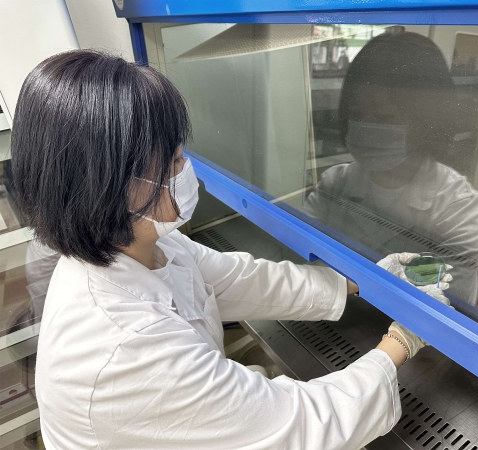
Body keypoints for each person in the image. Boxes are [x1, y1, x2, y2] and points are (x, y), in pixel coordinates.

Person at [11, 50, 451, 450]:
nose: (185, 166)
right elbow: (303, 426)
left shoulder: (142, 246)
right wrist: (400, 341)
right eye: (170, 159)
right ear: (105, 184)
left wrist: (361, 280)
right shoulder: (125, 348)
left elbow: (240, 279)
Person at [304, 32, 478, 305]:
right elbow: (302, 263)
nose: (365, 126)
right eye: (356, 114)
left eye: (383, 116)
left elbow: (449, 305)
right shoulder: (334, 183)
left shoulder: (457, 208)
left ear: (426, 121)